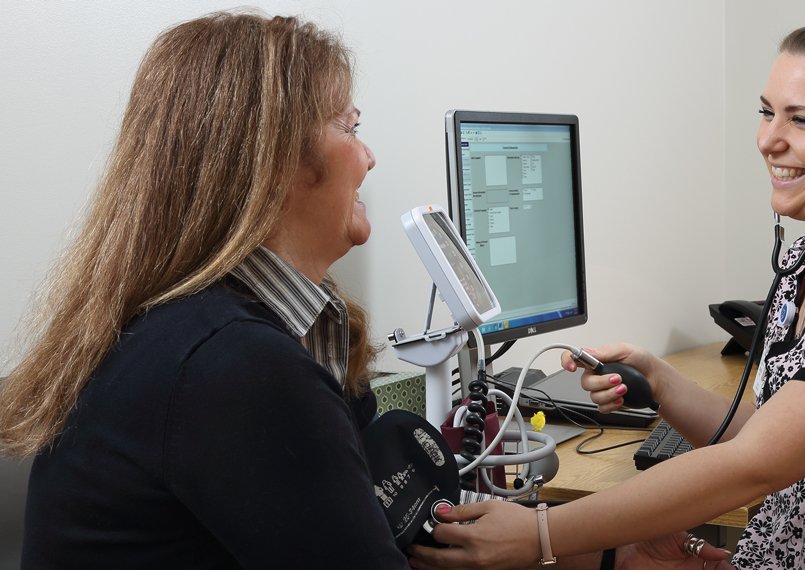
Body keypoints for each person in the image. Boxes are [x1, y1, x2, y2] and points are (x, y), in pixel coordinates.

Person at [0, 11, 735, 570]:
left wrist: (604, 556)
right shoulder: (231, 369)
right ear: (277, 160)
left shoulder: (262, 334)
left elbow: (385, 534)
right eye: (348, 125)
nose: (371, 154)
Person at [410, 10, 805, 570]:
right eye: (766, 111)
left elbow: (754, 465)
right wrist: (659, 380)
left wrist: (540, 535)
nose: (768, 140)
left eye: (801, 119)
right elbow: (768, 431)